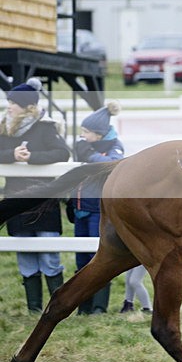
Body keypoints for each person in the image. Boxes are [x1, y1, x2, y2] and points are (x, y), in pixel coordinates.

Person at [0, 78, 71, 314]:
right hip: (15, 200)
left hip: (43, 201)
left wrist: (31, 157)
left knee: (50, 256)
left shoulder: (45, 127)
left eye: (12, 102)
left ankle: (57, 309)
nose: (8, 106)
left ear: (26, 106)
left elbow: (62, 153)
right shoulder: (4, 126)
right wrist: (12, 154)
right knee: (25, 258)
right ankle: (33, 309)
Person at [69, 100, 124, 314]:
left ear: (98, 134)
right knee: (81, 259)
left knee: (97, 258)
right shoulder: (87, 146)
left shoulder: (115, 146)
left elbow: (109, 164)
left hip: (98, 210)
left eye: (86, 131)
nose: (82, 135)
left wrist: (88, 155)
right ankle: (83, 306)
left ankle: (99, 307)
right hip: (81, 208)